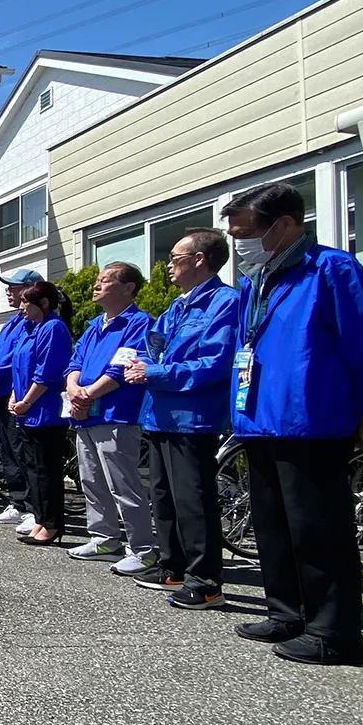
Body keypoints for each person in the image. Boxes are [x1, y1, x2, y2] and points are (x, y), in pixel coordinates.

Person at [221, 181, 363, 665]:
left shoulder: (331, 269)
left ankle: (333, 631)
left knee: (318, 529)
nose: (239, 245)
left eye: (245, 233)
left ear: (284, 225)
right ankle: (286, 611)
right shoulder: (256, 281)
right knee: (272, 525)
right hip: (259, 419)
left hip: (311, 420)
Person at [123, 229, 237, 607]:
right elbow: (151, 347)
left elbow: (215, 364)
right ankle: (172, 565)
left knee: (193, 500)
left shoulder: (224, 302)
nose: (169, 265)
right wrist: (142, 365)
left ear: (199, 260)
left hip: (192, 417)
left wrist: (153, 372)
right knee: (163, 496)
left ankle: (205, 581)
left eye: (175, 258)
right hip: (159, 414)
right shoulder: (177, 306)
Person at [64, 262, 159, 576]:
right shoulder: (94, 325)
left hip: (117, 415)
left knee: (124, 484)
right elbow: (75, 363)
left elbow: (121, 369)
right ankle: (104, 539)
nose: (97, 285)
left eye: (105, 280)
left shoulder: (139, 323)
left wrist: (86, 395)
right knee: (91, 480)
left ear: (128, 288)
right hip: (85, 415)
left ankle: (143, 549)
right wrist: (74, 390)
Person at [0, 268, 42, 529]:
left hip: (19, 394)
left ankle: (31, 507)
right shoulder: (14, 321)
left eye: (14, 288)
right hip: (1, 393)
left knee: (22, 451)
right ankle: (17, 502)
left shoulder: (32, 323)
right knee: (7, 449)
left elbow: (16, 356)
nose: (9, 292)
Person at [9, 281, 73, 546]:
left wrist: (26, 401)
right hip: (27, 411)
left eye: (26, 302)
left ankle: (53, 523)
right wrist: (15, 397)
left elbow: (46, 372)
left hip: (45, 412)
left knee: (47, 471)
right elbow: (18, 368)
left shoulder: (53, 328)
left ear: (44, 303)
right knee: (33, 469)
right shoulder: (30, 329)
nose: (21, 307)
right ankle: (40, 518)